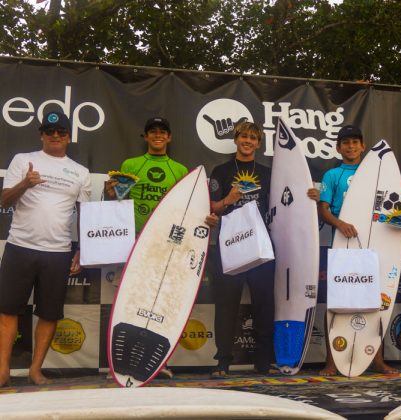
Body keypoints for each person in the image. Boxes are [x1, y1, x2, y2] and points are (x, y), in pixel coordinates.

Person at [105, 116, 218, 379]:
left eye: (162, 132)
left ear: (169, 138)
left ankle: (159, 363)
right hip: (136, 244)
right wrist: (111, 194)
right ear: (145, 137)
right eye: (152, 132)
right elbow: (119, 201)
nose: (157, 135)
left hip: (168, 248)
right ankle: (119, 364)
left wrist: (207, 218)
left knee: (162, 304)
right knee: (132, 302)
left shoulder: (180, 170)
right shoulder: (130, 165)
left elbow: (189, 210)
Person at [0, 111, 91, 386]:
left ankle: (35, 370)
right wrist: (25, 183)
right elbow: (5, 199)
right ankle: (2, 370)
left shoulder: (81, 172)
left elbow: (84, 214)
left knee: (49, 313)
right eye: (49, 130)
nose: (55, 135)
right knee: (7, 310)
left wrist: (82, 249)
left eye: (61, 131)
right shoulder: (22, 160)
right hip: (20, 246)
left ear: (69, 137)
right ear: (41, 134)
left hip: (59, 252)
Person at [318, 124, 396, 376]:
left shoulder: (376, 173)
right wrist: (339, 224)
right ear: (338, 147)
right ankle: (331, 361)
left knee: (377, 300)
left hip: (374, 244)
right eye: (345, 142)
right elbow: (323, 210)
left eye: (355, 142)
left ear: (363, 146)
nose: (351, 147)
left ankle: (377, 359)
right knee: (335, 301)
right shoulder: (333, 175)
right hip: (344, 244)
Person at [208, 121, 275, 377]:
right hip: (230, 245)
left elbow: (281, 206)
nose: (247, 141)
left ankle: (263, 362)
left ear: (258, 143)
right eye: (243, 136)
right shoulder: (221, 171)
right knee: (226, 305)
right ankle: (222, 362)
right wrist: (228, 199)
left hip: (261, 245)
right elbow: (212, 208)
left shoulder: (268, 173)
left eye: (253, 138)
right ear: (236, 140)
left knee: (264, 304)